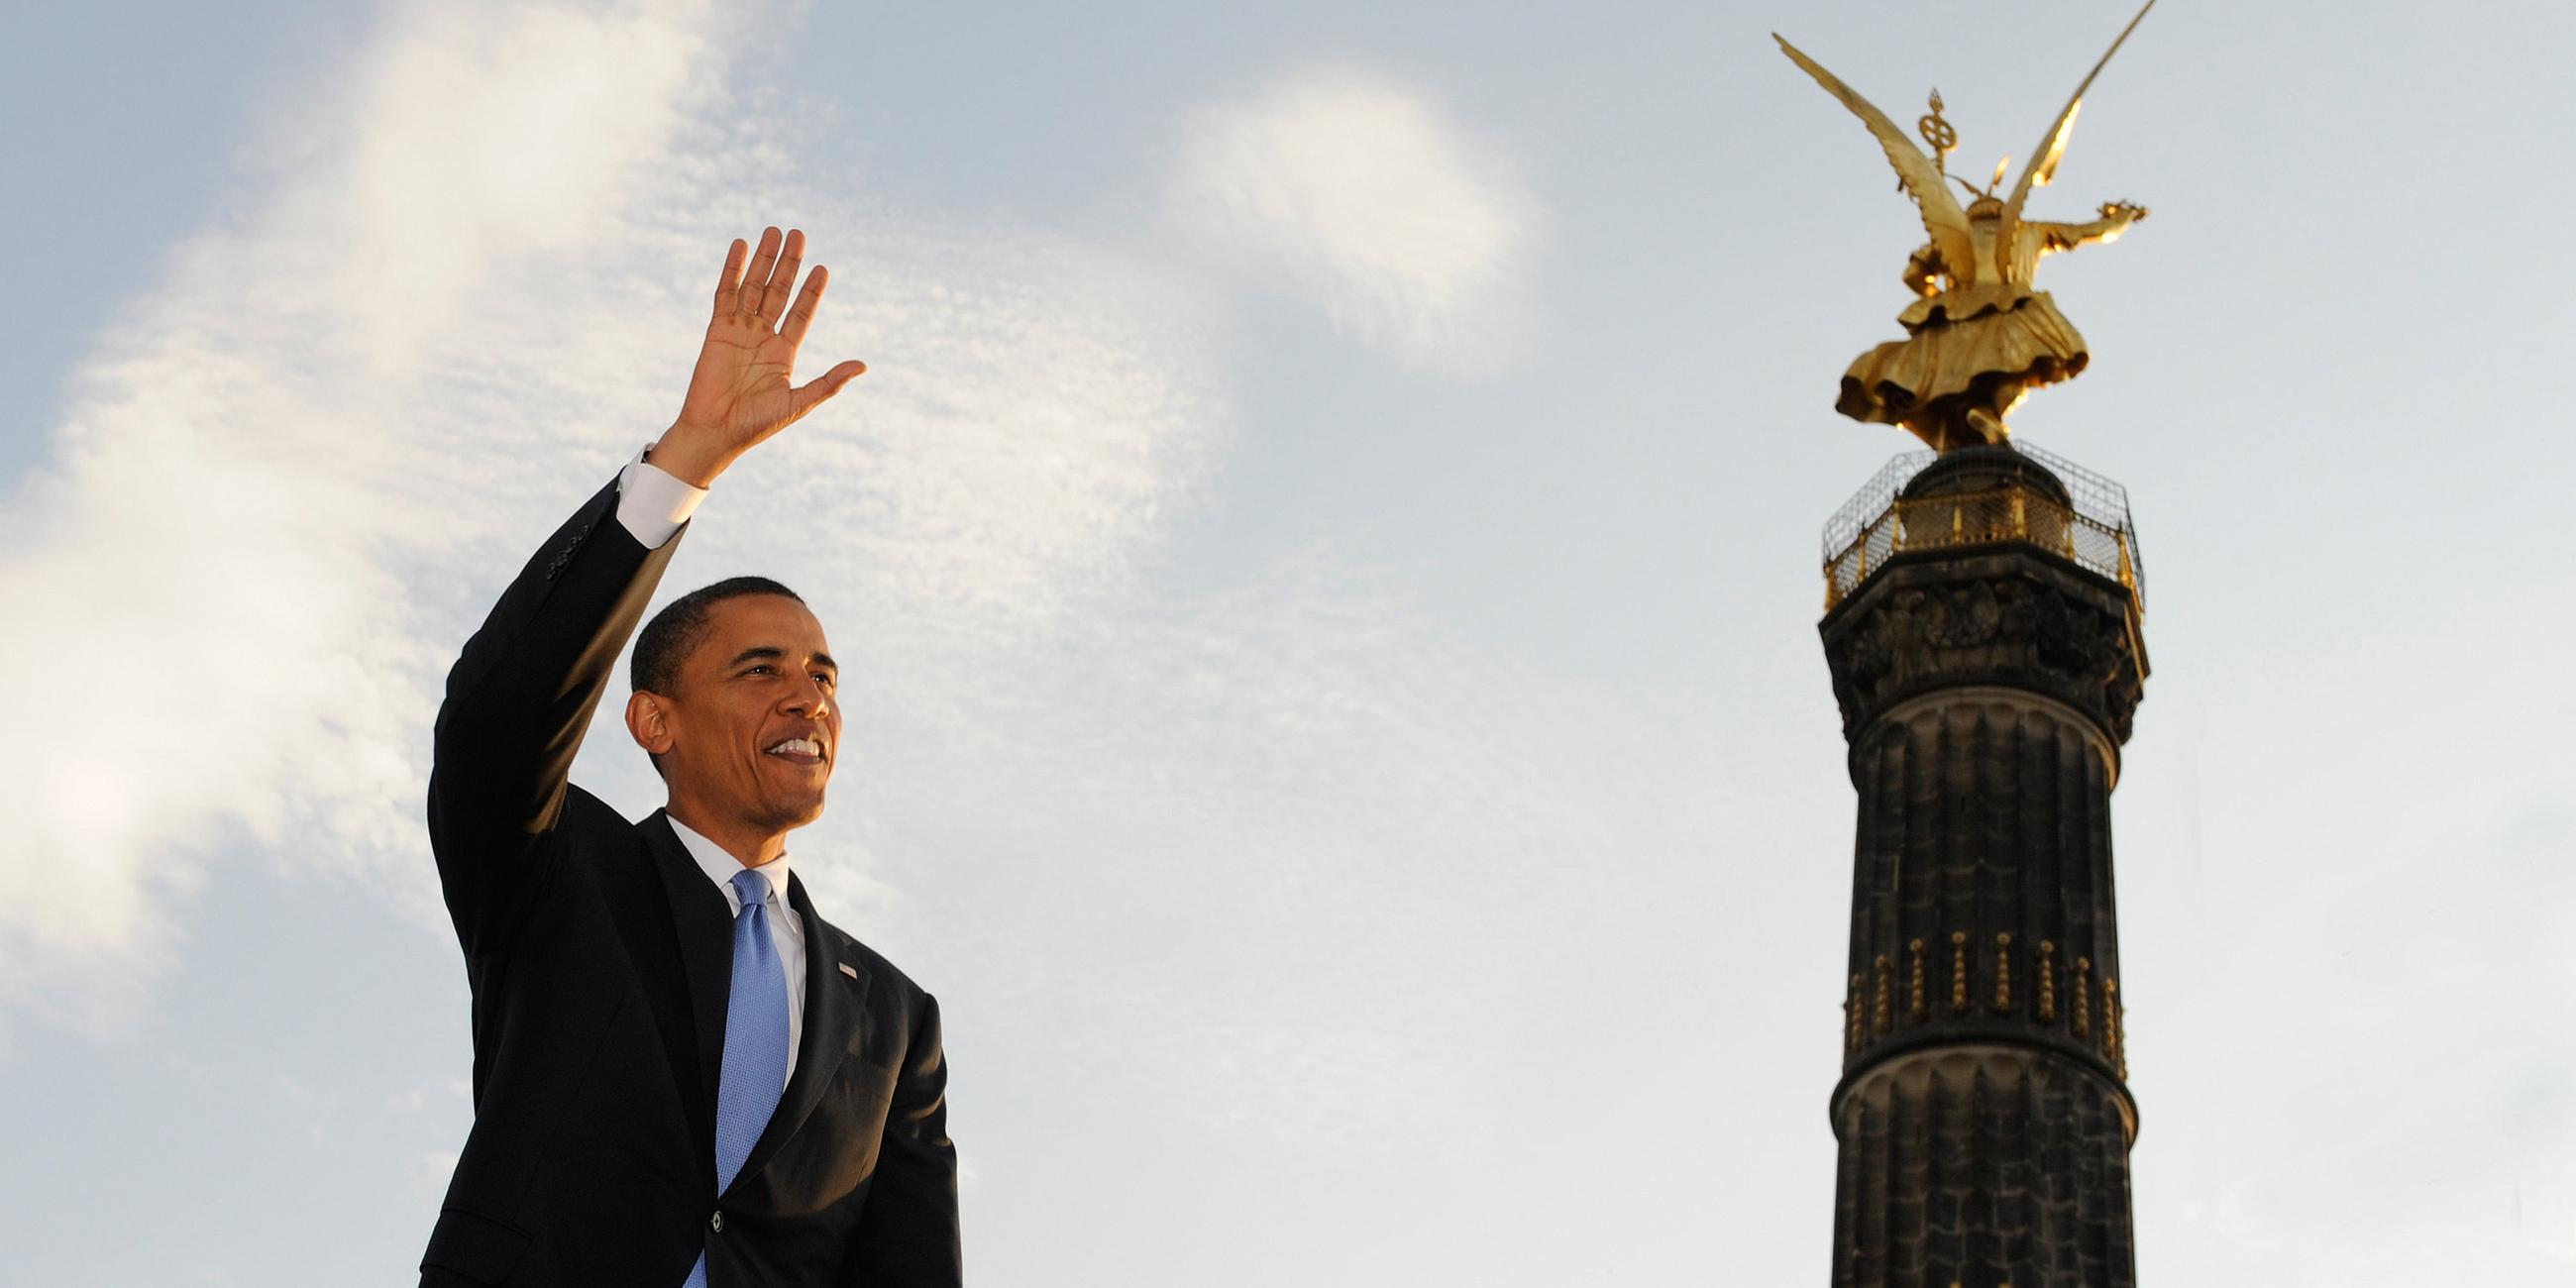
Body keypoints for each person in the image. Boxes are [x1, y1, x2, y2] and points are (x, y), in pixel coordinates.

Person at [420, 227, 960, 1287]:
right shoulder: (556, 873)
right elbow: (497, 711)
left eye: (823, 672)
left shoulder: (895, 1018)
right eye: (759, 668)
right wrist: (686, 461)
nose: (807, 692)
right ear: (654, 721)